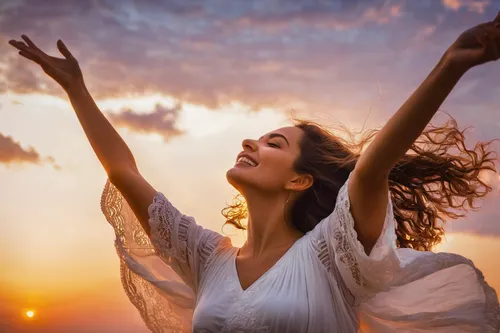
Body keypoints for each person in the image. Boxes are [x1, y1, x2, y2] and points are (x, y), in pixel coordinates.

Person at [9, 12, 500, 333]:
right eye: (259, 137)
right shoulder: (206, 258)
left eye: (274, 143)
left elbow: (370, 172)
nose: (251, 141)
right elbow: (123, 171)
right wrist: (75, 89)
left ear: (300, 180)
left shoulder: (332, 252)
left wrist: (451, 64)